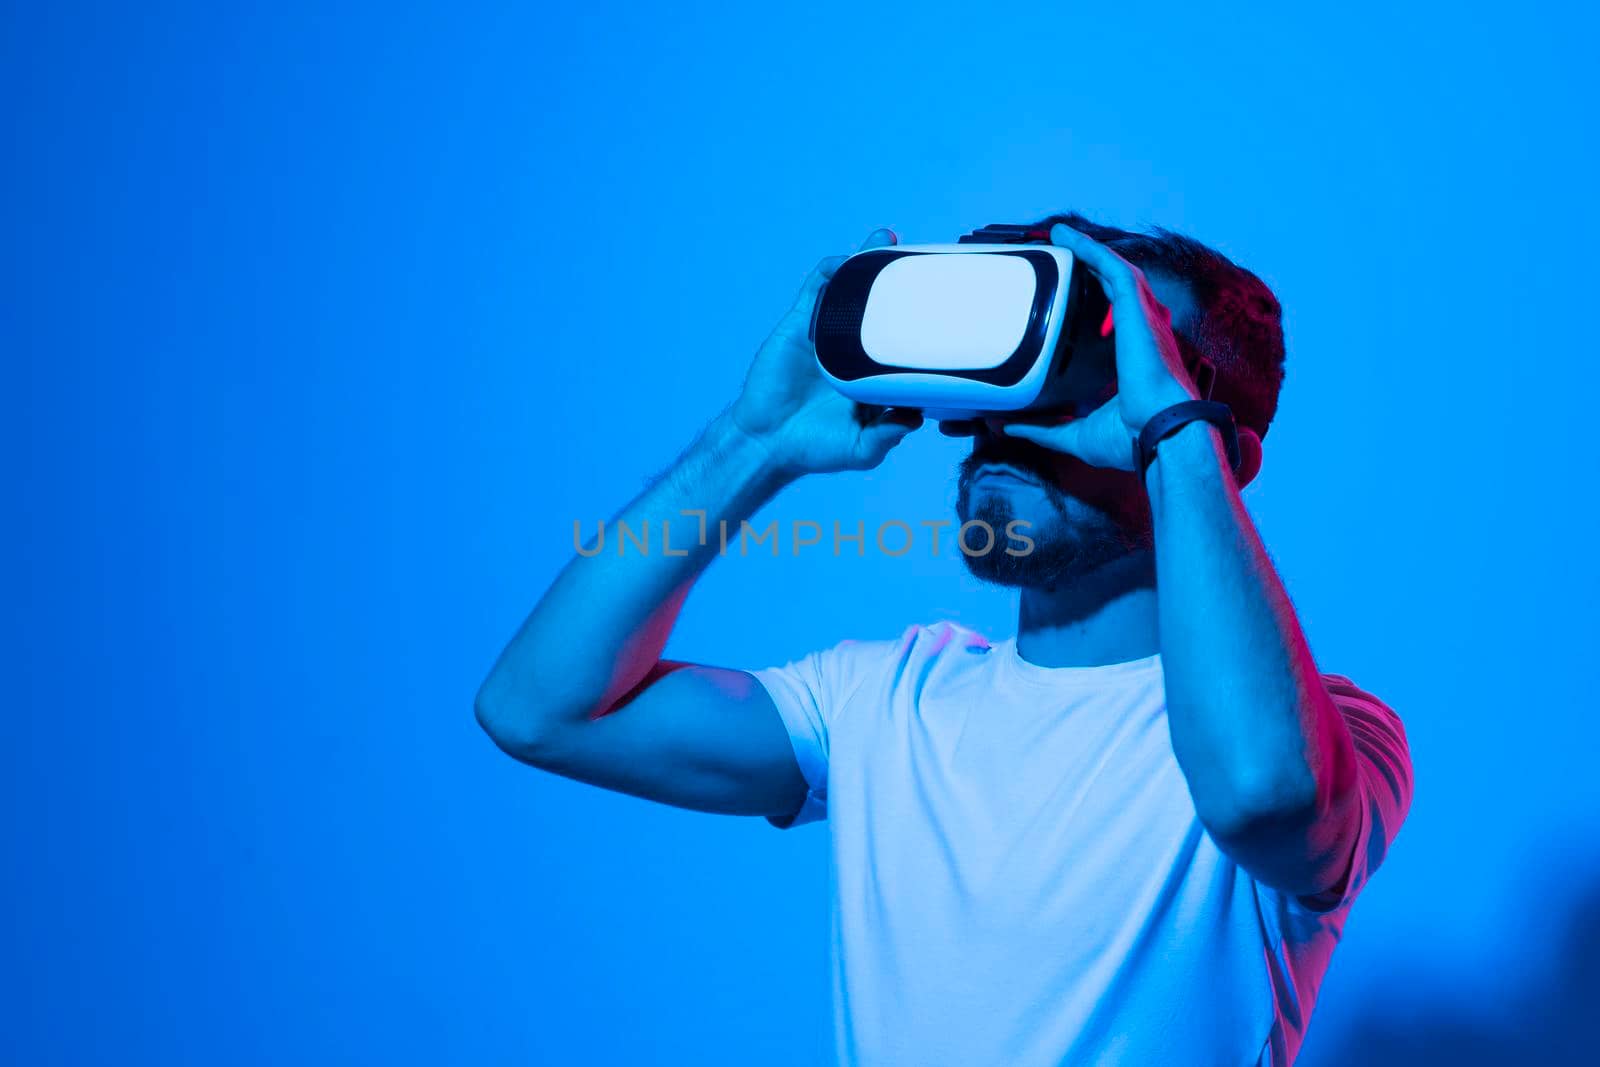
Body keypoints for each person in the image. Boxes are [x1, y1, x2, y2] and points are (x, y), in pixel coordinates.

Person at [474, 213, 1414, 1066]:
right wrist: (754, 440)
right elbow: (537, 708)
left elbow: (1262, 792)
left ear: (1221, 445)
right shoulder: (882, 702)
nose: (1019, 426)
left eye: (1107, 366)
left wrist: (1170, 430)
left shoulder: (1334, 732)